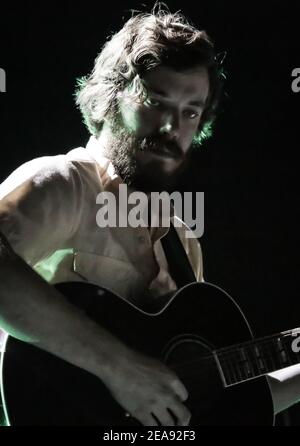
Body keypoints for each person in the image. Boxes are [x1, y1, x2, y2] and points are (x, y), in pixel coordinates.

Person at [0, 5, 299, 426]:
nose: (171, 127)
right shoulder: (64, 183)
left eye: (190, 111)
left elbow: (195, 400)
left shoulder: (182, 239)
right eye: (156, 101)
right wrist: (119, 368)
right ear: (109, 99)